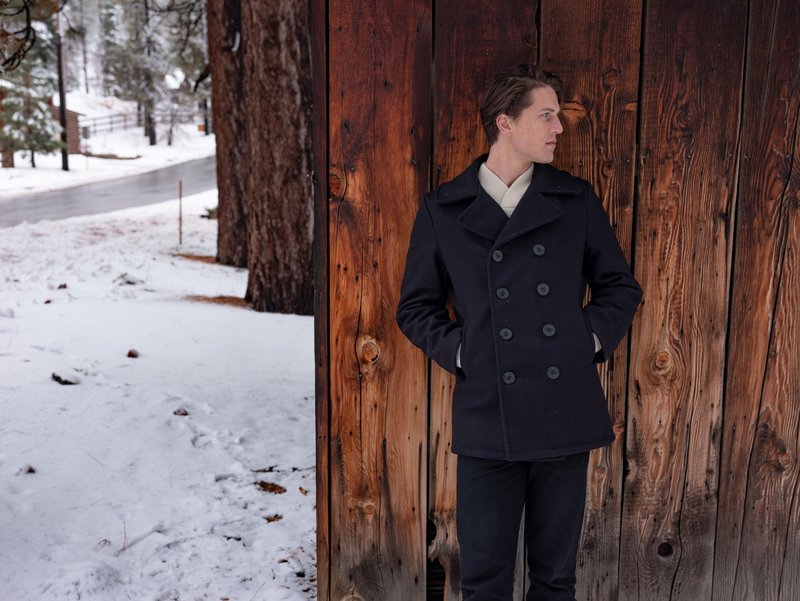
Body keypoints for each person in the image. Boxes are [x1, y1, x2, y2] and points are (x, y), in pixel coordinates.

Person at [396, 64, 643, 600]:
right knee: (484, 580)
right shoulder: (444, 209)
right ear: (505, 123)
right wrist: (463, 351)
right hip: (489, 413)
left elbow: (619, 288)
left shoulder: (574, 200)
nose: (559, 127)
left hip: (564, 408)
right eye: (546, 115)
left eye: (558, 116)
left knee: (555, 579)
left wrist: (584, 341)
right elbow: (415, 308)